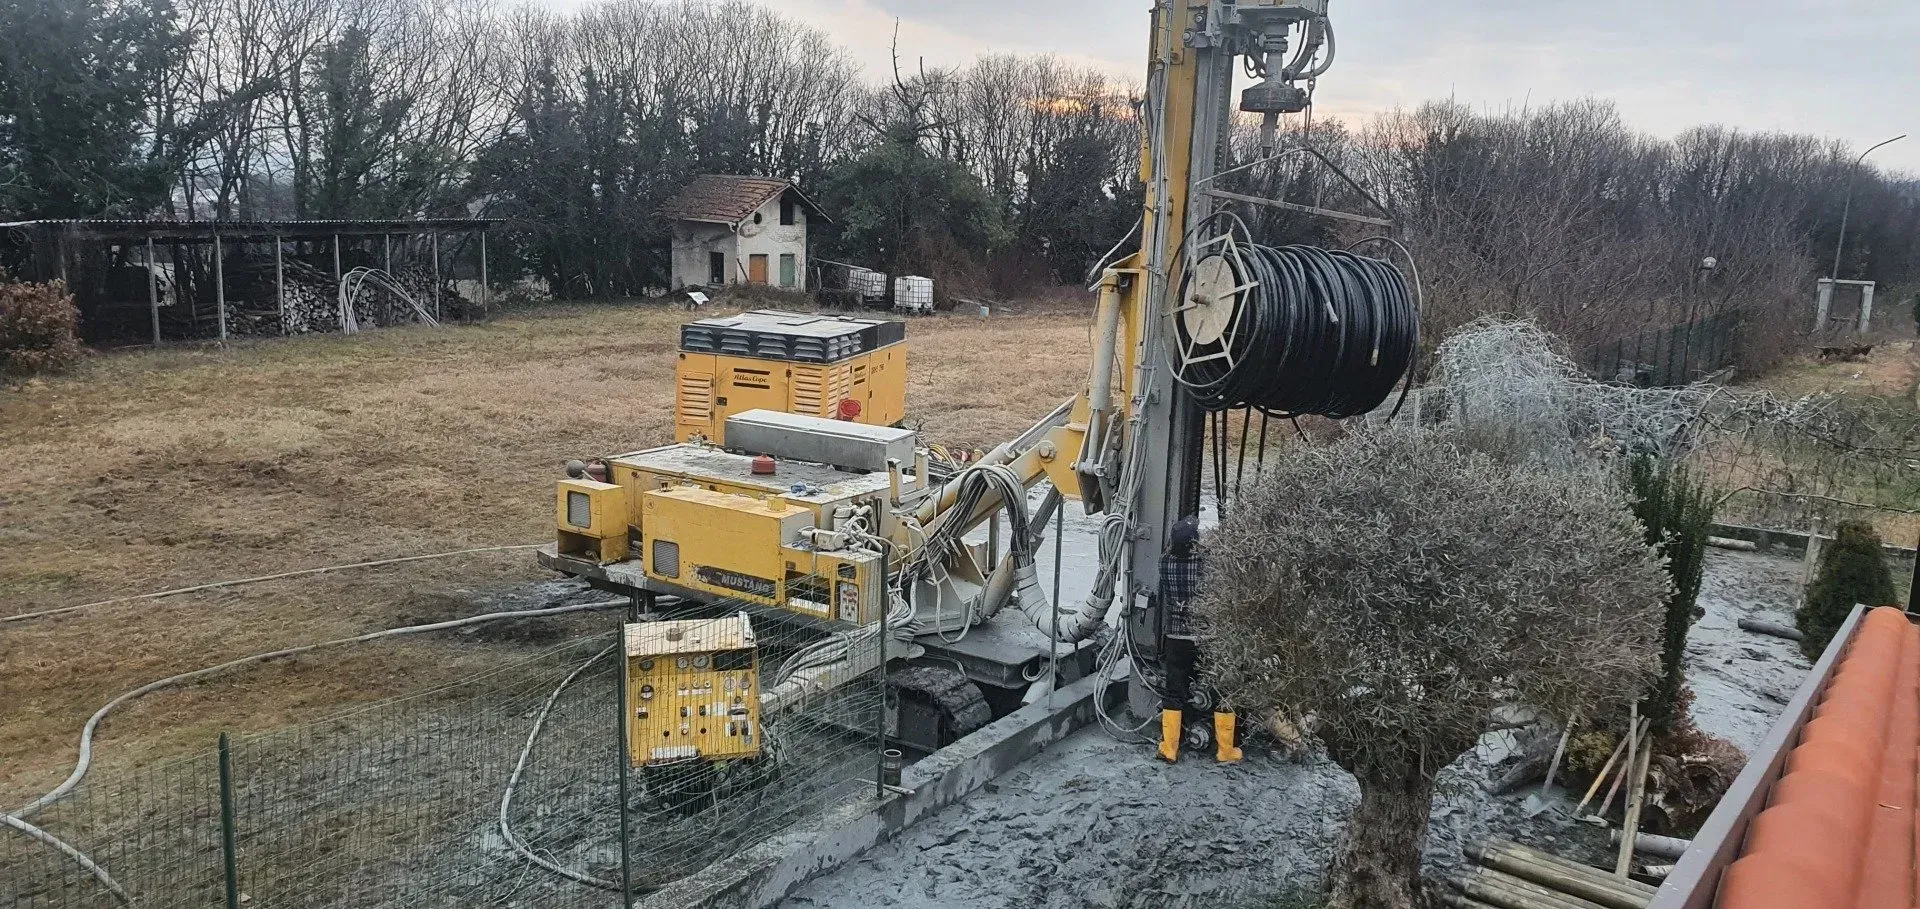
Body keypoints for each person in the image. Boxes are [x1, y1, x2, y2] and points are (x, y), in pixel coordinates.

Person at [1156, 516, 1241, 763]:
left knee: (1174, 691)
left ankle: (1169, 749)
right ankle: (1225, 750)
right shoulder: (1207, 563)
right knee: (1222, 690)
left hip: (1176, 637)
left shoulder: (1165, 563)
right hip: (1208, 635)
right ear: (1195, 543)